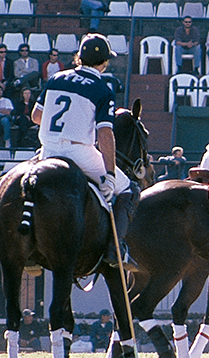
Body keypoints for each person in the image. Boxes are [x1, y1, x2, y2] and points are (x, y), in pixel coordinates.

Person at [33, 34, 139, 271]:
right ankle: (115, 249)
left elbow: (36, 116)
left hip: (48, 150)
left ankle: (30, 248)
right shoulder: (103, 89)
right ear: (103, 63)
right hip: (79, 153)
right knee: (130, 189)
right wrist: (110, 175)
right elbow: (104, 136)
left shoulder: (56, 78)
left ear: (79, 57)